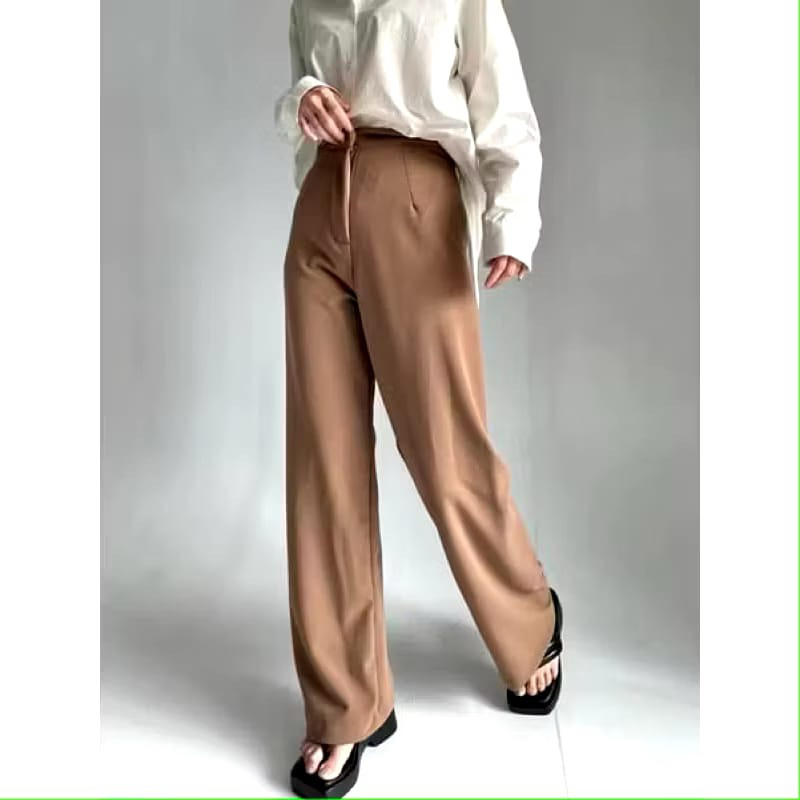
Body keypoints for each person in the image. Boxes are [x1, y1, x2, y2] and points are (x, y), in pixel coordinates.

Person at [274, 1, 564, 796]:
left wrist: (512, 221)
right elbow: (301, 79)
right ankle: (347, 702)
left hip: (416, 194)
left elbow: (500, 97)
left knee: (445, 447)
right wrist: (303, 97)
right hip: (321, 206)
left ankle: (526, 619)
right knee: (322, 465)